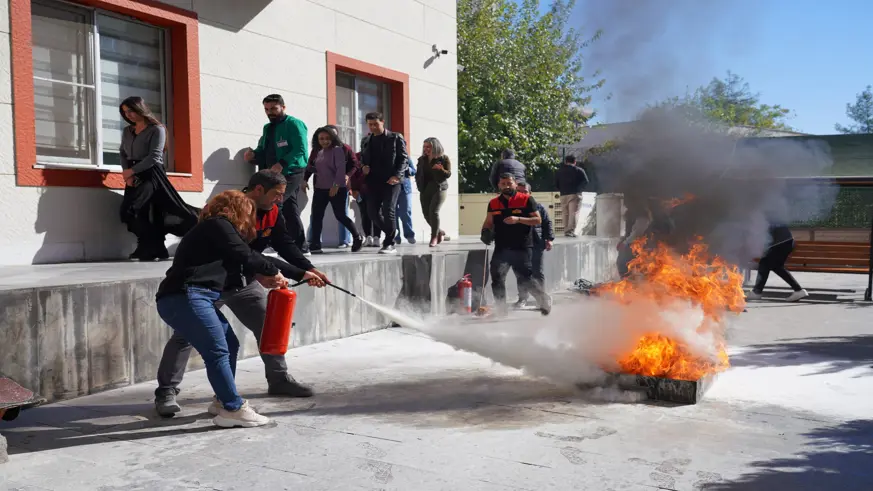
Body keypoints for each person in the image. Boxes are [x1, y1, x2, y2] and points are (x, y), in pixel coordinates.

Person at [154, 172, 329, 418]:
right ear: (256, 191)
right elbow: (239, 252)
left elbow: (277, 247)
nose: (280, 199)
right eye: (276, 194)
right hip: (204, 287)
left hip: (241, 281)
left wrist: (305, 271)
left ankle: (276, 380)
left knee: (267, 326)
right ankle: (168, 391)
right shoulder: (221, 217)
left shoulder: (268, 213)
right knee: (189, 337)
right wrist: (267, 272)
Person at [118, 96, 199, 261]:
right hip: (133, 174)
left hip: (152, 173)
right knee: (142, 212)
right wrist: (127, 172)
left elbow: (154, 156)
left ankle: (200, 221)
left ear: (140, 108)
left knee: (137, 209)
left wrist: (131, 171)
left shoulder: (157, 129)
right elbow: (123, 152)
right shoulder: (127, 131)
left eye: (131, 110)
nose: (129, 115)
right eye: (125, 112)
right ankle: (152, 248)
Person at [244, 94, 309, 254]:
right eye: (266, 109)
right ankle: (302, 246)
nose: (269, 112)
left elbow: (300, 149)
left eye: (273, 108)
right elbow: (263, 149)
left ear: (283, 107)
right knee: (289, 209)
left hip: (291, 171)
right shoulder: (268, 128)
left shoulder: (294, 124)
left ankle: (268, 241)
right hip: (272, 174)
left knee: (272, 204)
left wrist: (282, 163)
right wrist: (253, 155)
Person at [480, 173, 552, 316]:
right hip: (502, 247)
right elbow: (489, 221)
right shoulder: (494, 203)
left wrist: (518, 219)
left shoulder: (526, 199)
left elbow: (537, 220)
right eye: (503, 183)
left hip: (522, 246)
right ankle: (501, 309)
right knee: (497, 276)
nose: (506, 186)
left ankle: (543, 300)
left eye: (509, 183)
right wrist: (484, 232)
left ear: (515, 184)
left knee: (525, 278)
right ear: (499, 186)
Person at [304, 127, 364, 253]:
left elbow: (341, 169)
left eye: (327, 138)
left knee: (341, 215)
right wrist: (304, 180)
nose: (324, 141)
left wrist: (336, 186)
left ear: (333, 138)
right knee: (316, 216)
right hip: (320, 188)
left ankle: (357, 237)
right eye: (321, 139)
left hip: (337, 188)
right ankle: (315, 244)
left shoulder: (338, 150)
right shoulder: (316, 150)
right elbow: (310, 166)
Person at [359, 112, 409, 254]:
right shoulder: (366, 141)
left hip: (391, 181)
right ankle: (391, 231)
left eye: (376, 124)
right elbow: (362, 158)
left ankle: (389, 243)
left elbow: (403, 159)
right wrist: (364, 167)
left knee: (388, 210)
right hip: (373, 181)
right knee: (372, 212)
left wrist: (397, 176)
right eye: (370, 125)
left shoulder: (395, 137)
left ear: (383, 122)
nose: (373, 127)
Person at [514, 181, 554, 308]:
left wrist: (549, 239)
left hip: (536, 244)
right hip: (519, 245)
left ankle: (541, 300)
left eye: (524, 191)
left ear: (530, 193)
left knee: (537, 272)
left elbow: (547, 223)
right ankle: (522, 298)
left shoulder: (539, 207)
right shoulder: (512, 209)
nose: (522, 194)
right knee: (521, 273)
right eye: (519, 191)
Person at [746, 225, 809, 302]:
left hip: (779, 243)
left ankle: (757, 292)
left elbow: (763, 232)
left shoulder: (764, 215)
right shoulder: (771, 215)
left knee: (764, 263)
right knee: (777, 267)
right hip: (787, 242)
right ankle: (798, 291)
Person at [415, 137, 452, 247]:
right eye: (424, 147)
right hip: (425, 188)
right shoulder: (422, 159)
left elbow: (448, 174)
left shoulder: (444, 158)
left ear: (435, 147)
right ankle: (439, 231)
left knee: (433, 211)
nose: (426, 149)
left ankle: (434, 237)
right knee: (426, 214)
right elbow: (419, 174)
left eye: (428, 147)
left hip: (439, 188)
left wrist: (441, 169)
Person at [349, 151, 381, 247]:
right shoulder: (357, 157)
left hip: (377, 190)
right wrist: (354, 189)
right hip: (361, 190)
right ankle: (368, 237)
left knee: (376, 213)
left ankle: (377, 237)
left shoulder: (379, 155)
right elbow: (353, 173)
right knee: (364, 213)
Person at [554, 155, 590, 237]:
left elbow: (556, 184)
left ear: (565, 162)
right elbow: (586, 181)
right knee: (573, 213)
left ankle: (566, 230)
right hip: (574, 194)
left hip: (563, 194)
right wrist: (579, 189)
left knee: (565, 213)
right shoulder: (578, 170)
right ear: (575, 162)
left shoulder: (559, 171)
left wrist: (562, 189)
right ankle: (571, 230)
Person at [395, 155, 417, 245]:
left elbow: (414, 171)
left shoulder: (406, 158)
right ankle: (396, 236)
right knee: (393, 213)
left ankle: (409, 235)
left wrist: (409, 170)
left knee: (406, 211)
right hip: (392, 188)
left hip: (405, 188)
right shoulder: (388, 155)